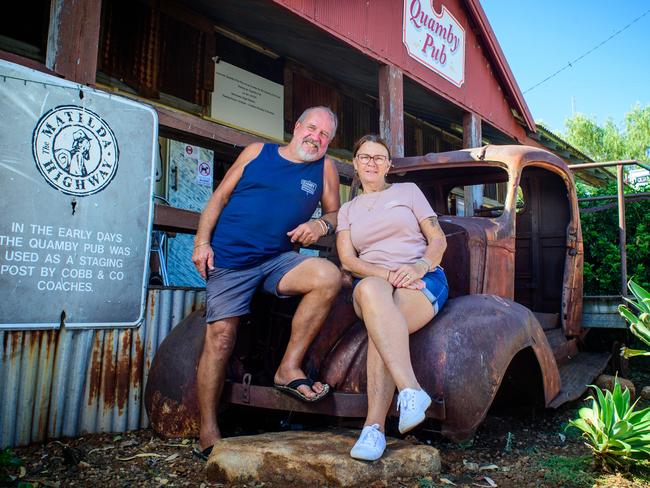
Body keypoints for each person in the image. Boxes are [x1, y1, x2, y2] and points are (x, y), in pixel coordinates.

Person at [191, 106, 342, 459]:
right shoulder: (258, 152)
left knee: (328, 276)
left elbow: (335, 212)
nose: (316, 138)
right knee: (221, 336)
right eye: (312, 128)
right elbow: (219, 199)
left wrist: (321, 225)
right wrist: (201, 243)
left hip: (278, 260)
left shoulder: (325, 168)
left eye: (324, 136)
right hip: (230, 260)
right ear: (297, 127)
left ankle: (288, 367)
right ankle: (208, 429)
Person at [336, 134, 448, 461]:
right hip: (375, 279)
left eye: (379, 157)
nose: (372, 162)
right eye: (365, 157)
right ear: (355, 164)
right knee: (372, 292)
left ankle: (373, 429)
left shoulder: (408, 192)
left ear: (388, 165)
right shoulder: (348, 210)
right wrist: (388, 274)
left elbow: (437, 240)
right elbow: (348, 260)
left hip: (421, 277)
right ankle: (410, 389)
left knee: (381, 327)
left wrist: (419, 266)